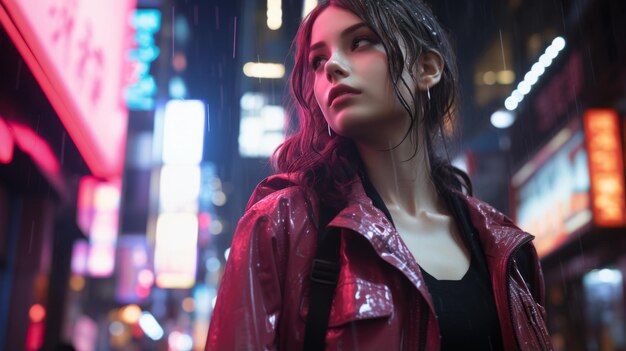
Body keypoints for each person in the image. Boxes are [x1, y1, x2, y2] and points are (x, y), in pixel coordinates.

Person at [206, 0, 552, 350]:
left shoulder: (507, 249)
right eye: (318, 60)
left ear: (426, 68)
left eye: (359, 42)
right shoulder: (282, 225)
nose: (332, 68)